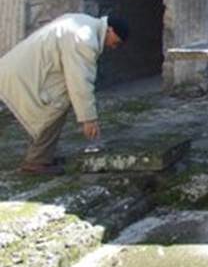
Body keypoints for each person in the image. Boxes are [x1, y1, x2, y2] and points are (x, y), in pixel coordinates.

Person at [0, 13, 129, 175]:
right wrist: (88, 118)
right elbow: (80, 81)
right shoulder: (85, 38)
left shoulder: (83, 22)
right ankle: (37, 161)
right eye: (115, 42)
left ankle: (43, 155)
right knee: (52, 111)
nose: (113, 47)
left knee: (49, 109)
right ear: (110, 30)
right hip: (23, 76)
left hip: (20, 70)